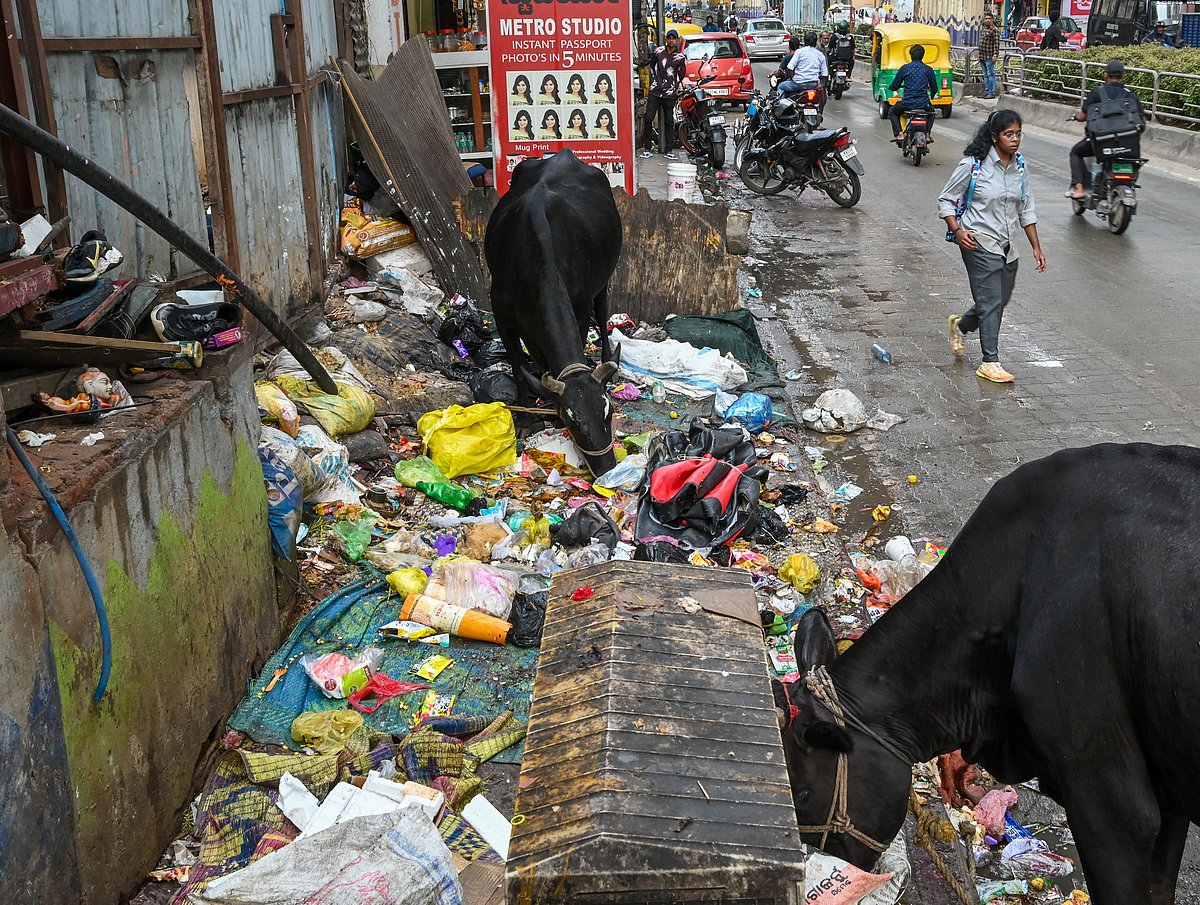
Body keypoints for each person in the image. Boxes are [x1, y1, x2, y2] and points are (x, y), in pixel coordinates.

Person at [939, 110, 1046, 384]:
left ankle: (960, 325)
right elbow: (946, 200)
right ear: (994, 136)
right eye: (1009, 134)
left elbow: (1027, 208)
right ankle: (990, 361)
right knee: (990, 301)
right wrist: (957, 230)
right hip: (978, 241)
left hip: (1009, 245)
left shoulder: (1020, 166)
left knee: (1000, 299)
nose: (1015, 140)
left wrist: (1036, 247)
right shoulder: (974, 165)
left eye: (1018, 134)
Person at [1065, 59, 1146, 199]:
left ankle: (1078, 188)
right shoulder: (1131, 95)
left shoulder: (1097, 93)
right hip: (1127, 145)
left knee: (1075, 153)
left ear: (1106, 75)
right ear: (1122, 75)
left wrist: (1076, 117)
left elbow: (1084, 115)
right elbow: (1142, 121)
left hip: (1100, 143)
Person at [641, 29, 687, 158]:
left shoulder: (680, 57)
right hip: (655, 92)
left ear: (677, 40)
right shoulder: (658, 52)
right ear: (666, 39)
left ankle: (669, 150)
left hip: (670, 94)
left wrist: (674, 85)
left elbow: (681, 74)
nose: (671, 40)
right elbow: (651, 66)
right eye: (669, 38)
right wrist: (655, 81)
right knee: (648, 118)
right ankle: (647, 148)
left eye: (673, 38)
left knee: (669, 122)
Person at [887, 44, 939, 141]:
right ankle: (927, 134)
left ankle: (900, 134)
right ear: (923, 55)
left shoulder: (905, 68)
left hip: (907, 103)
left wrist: (892, 87)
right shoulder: (928, 69)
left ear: (910, 55)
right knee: (931, 113)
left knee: (892, 111)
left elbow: (895, 85)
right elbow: (934, 87)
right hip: (924, 104)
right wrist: (931, 96)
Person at [780, 31, 828, 98]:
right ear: (816, 41)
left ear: (805, 41)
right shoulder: (820, 55)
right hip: (814, 85)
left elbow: (789, 68)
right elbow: (825, 74)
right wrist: (816, 77)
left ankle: (783, 105)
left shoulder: (799, 52)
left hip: (798, 83)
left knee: (781, 87)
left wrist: (791, 78)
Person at [978, 12, 1000, 98]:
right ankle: (986, 91)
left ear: (992, 19)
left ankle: (992, 92)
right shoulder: (984, 29)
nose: (987, 20)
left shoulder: (995, 30)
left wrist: (995, 55)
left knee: (991, 74)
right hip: (982, 56)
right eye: (986, 18)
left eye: (989, 19)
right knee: (985, 75)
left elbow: (996, 43)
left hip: (989, 56)